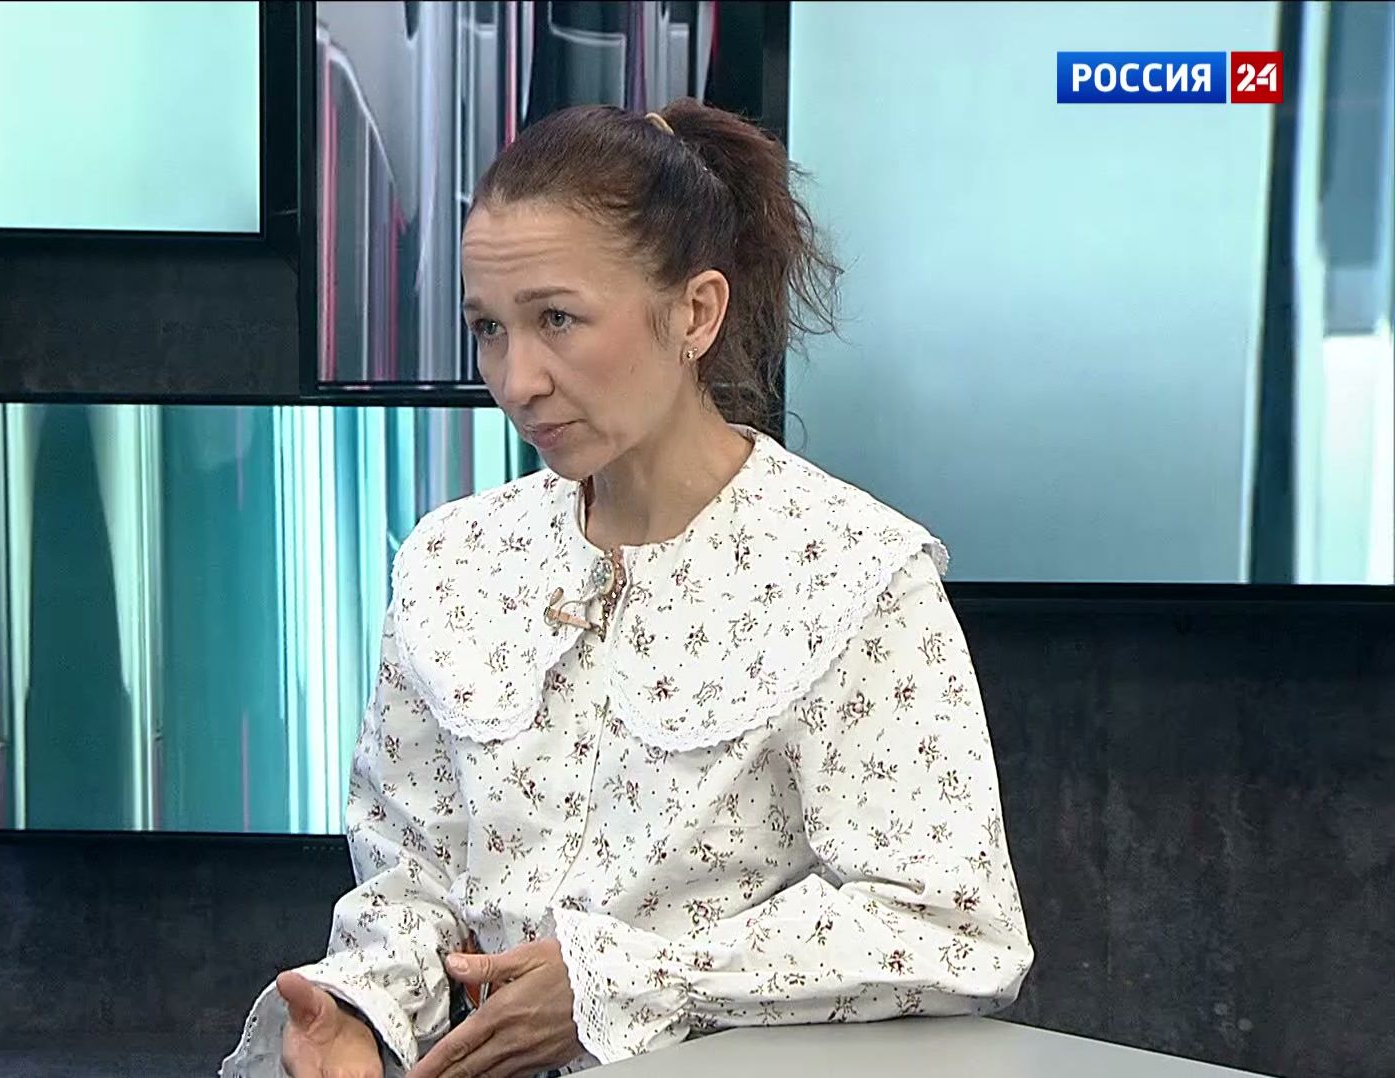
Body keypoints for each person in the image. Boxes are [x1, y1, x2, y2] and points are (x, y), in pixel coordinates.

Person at [222, 99, 1033, 1078]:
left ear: (695, 313)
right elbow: (414, 873)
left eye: (557, 320)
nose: (517, 380)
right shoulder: (453, 560)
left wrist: (620, 983)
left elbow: (953, 928)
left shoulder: (851, 573)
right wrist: (360, 1009)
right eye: (488, 329)